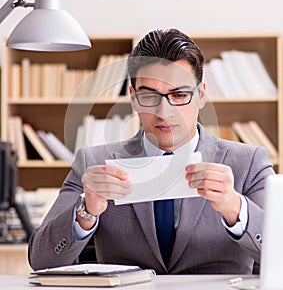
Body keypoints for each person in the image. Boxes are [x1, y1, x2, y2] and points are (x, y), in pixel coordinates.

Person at [28, 28, 274, 274]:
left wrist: (236, 208)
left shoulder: (248, 162)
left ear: (200, 96)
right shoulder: (94, 163)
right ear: (133, 98)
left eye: (179, 95)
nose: (164, 112)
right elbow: (41, 260)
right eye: (149, 95)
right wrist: (86, 211)